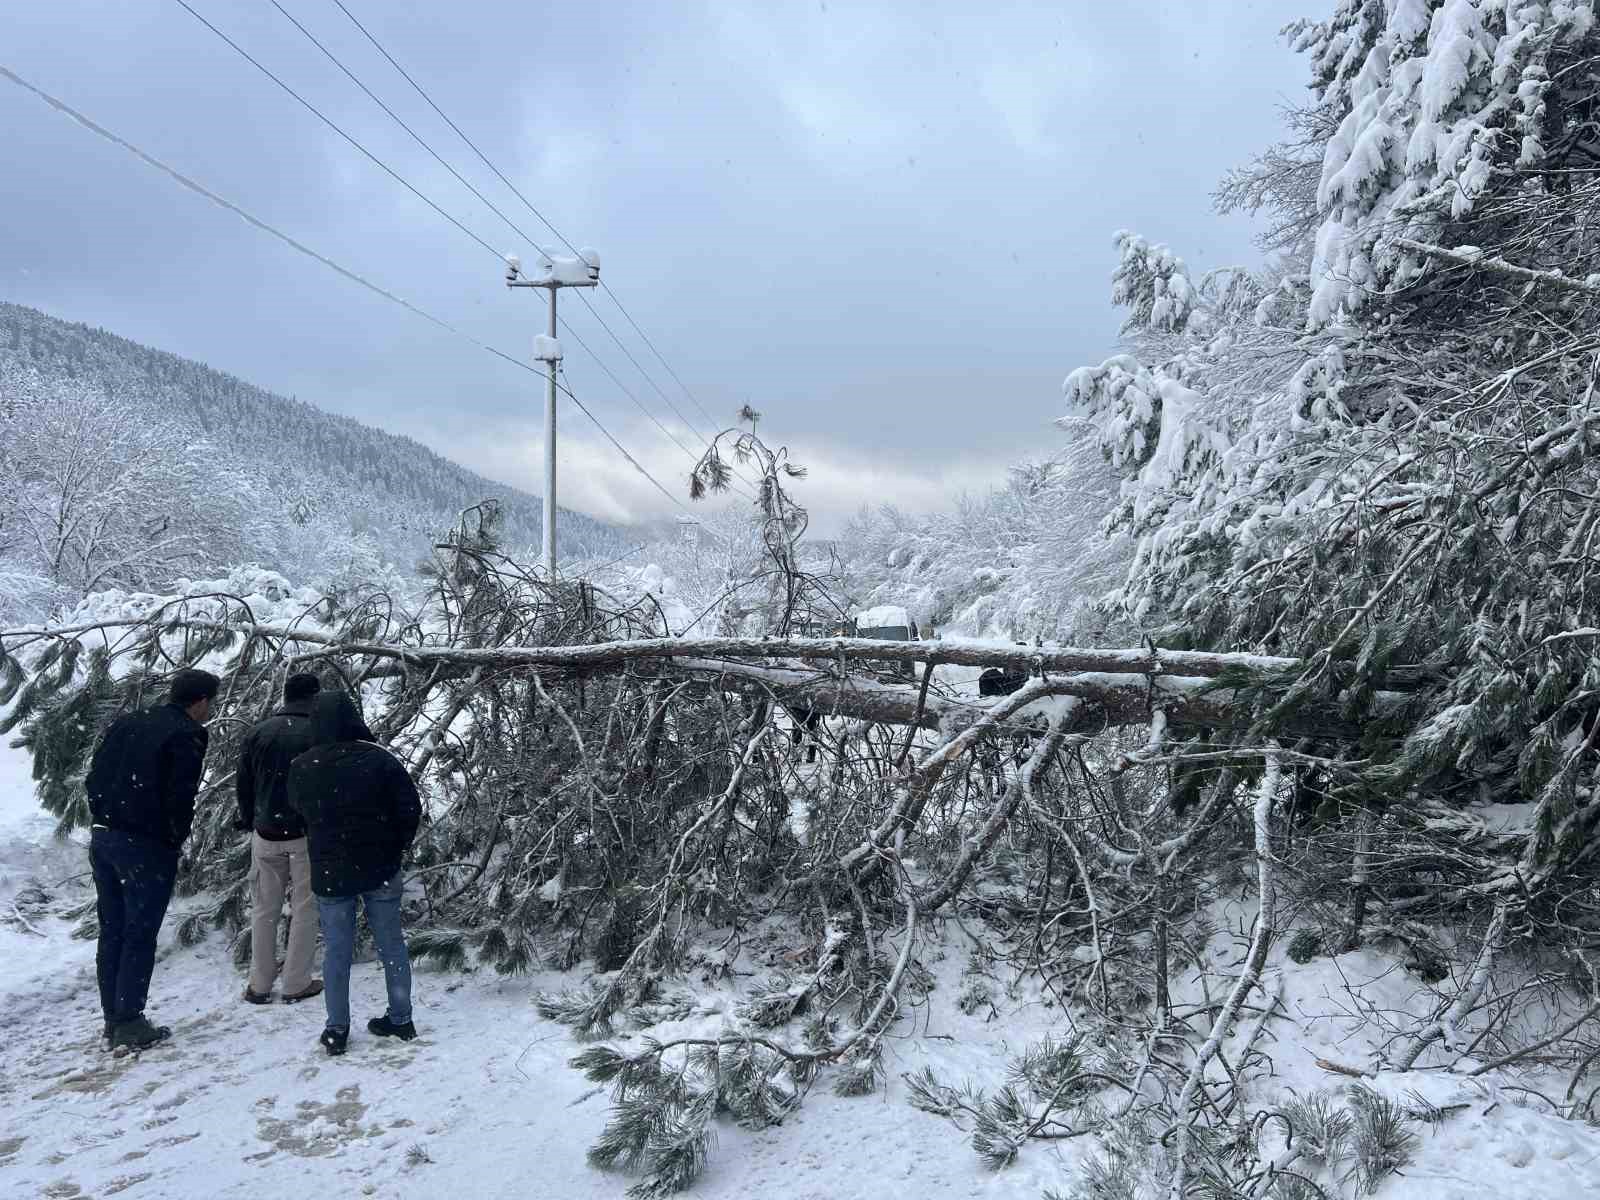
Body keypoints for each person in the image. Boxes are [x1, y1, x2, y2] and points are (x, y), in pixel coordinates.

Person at [85, 668, 220, 1051]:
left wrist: (105, 815)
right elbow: (180, 797)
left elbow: (94, 776)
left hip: (104, 835)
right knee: (139, 933)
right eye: (212, 703)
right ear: (201, 702)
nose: (211, 711)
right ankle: (129, 1020)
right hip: (145, 844)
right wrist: (172, 838)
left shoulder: (129, 722)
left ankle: (113, 1017)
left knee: (112, 928)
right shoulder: (188, 734)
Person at [289, 689, 422, 1057]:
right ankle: (400, 1018)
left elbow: (299, 812)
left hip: (330, 872)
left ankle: (337, 1029)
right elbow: (410, 809)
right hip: (380, 867)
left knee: (336, 950)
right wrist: (395, 845)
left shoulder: (303, 767)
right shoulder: (379, 760)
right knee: (391, 943)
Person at [234, 672, 324, 1005]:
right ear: (314, 697)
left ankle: (259, 983)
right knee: (305, 907)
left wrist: (248, 818)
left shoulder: (258, 732)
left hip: (265, 831)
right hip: (305, 834)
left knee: (263, 909)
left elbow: (243, 785)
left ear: (285, 696)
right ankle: (296, 982)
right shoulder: (317, 733)